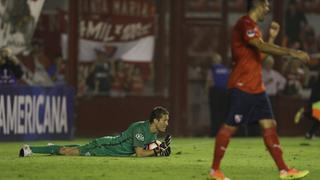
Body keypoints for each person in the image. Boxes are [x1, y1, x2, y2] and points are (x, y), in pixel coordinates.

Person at [208, 1, 310, 180]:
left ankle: (284, 170)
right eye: (267, 5)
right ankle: (214, 171)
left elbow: (259, 57)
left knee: (269, 125)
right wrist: (292, 53)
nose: (268, 9)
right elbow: (260, 46)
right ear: (258, 4)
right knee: (230, 126)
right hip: (242, 86)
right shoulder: (244, 24)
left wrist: (270, 39)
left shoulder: (255, 28)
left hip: (257, 88)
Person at [19, 106, 171, 157]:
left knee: (70, 149)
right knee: (67, 152)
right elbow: (139, 153)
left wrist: (160, 146)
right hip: (104, 147)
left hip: (108, 148)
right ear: (156, 121)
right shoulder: (140, 128)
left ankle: (53, 147)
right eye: (164, 120)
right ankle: (29, 149)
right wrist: (157, 151)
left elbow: (147, 146)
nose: (167, 123)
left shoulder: (153, 132)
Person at [205, 52, 230, 136]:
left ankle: (215, 132)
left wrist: (206, 90)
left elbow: (209, 81)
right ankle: (224, 131)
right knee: (223, 112)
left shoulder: (212, 69)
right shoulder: (225, 69)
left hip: (215, 91)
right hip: (225, 92)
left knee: (215, 112)